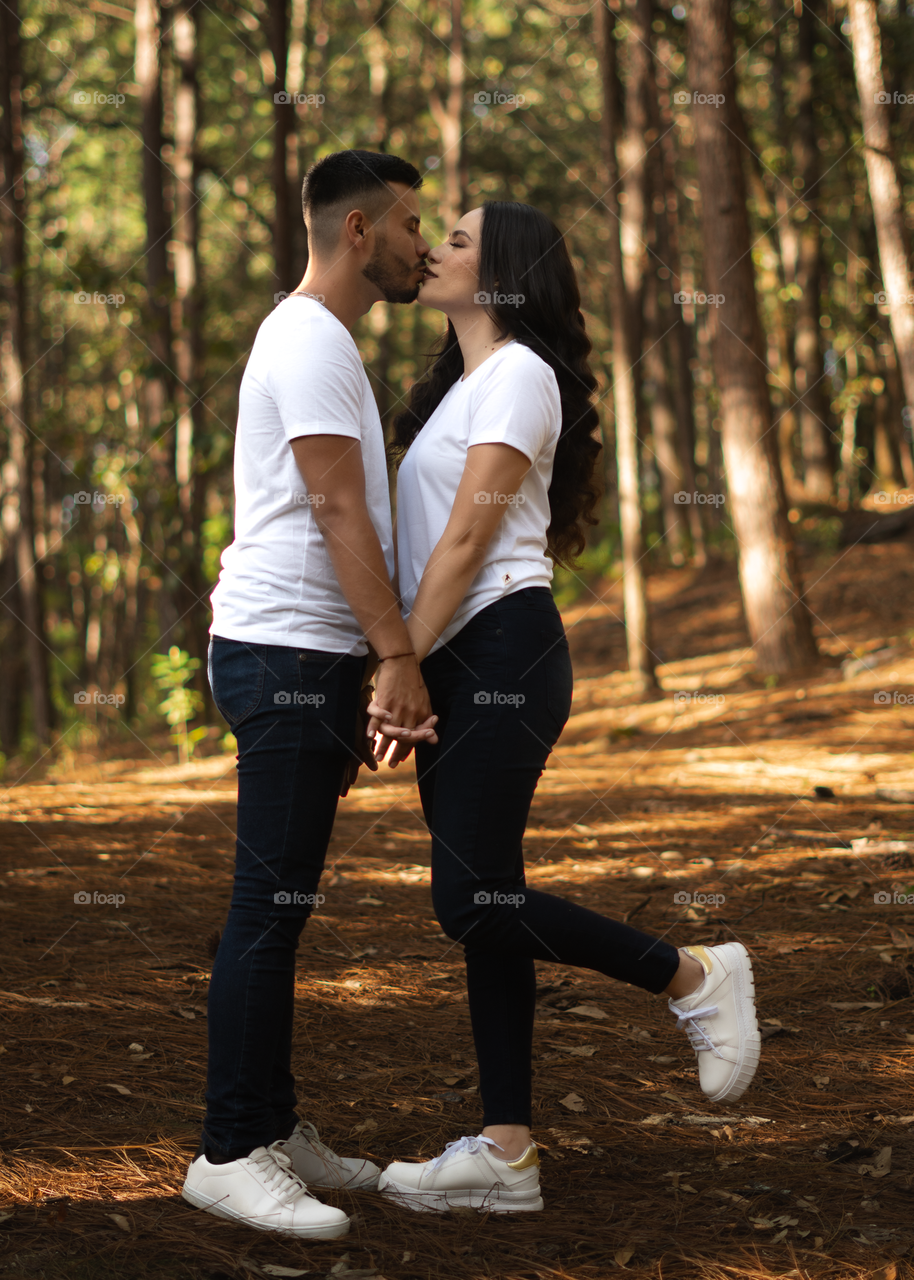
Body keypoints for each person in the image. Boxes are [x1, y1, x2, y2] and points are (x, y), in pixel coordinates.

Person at [367, 201, 761, 1214]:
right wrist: (410, 662)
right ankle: (504, 1152)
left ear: (501, 274)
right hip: (456, 659)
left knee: (469, 899)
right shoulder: (457, 387)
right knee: (487, 905)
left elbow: (464, 541)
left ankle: (689, 972)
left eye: (455, 239)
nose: (434, 250)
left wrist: (396, 657)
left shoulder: (520, 376)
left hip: (499, 642)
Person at [182, 150, 438, 1239]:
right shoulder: (309, 338)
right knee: (265, 910)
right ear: (356, 232)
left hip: (306, 656)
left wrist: (364, 660)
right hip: (284, 653)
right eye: (412, 224)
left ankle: (272, 1126)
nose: (425, 244)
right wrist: (395, 657)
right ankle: (228, 1149)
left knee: (283, 908)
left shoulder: (318, 339)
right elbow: (338, 513)